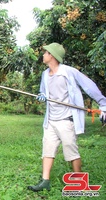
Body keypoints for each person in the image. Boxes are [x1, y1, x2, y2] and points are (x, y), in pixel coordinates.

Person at [27, 42, 106, 192]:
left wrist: (103, 103)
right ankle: (45, 181)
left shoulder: (68, 72)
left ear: (52, 55)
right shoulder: (45, 74)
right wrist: (42, 95)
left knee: (71, 150)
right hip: (50, 119)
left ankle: (79, 182)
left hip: (66, 119)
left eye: (46, 53)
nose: (43, 55)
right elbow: (43, 92)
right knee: (48, 149)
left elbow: (88, 86)